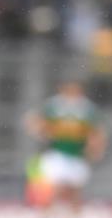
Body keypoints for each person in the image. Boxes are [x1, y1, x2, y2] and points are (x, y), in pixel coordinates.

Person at [24, 81, 107, 210]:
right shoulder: (54, 105)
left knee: (75, 193)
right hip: (57, 153)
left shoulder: (86, 108)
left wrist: (95, 148)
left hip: (77, 155)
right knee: (53, 190)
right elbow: (33, 120)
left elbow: (97, 132)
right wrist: (42, 132)